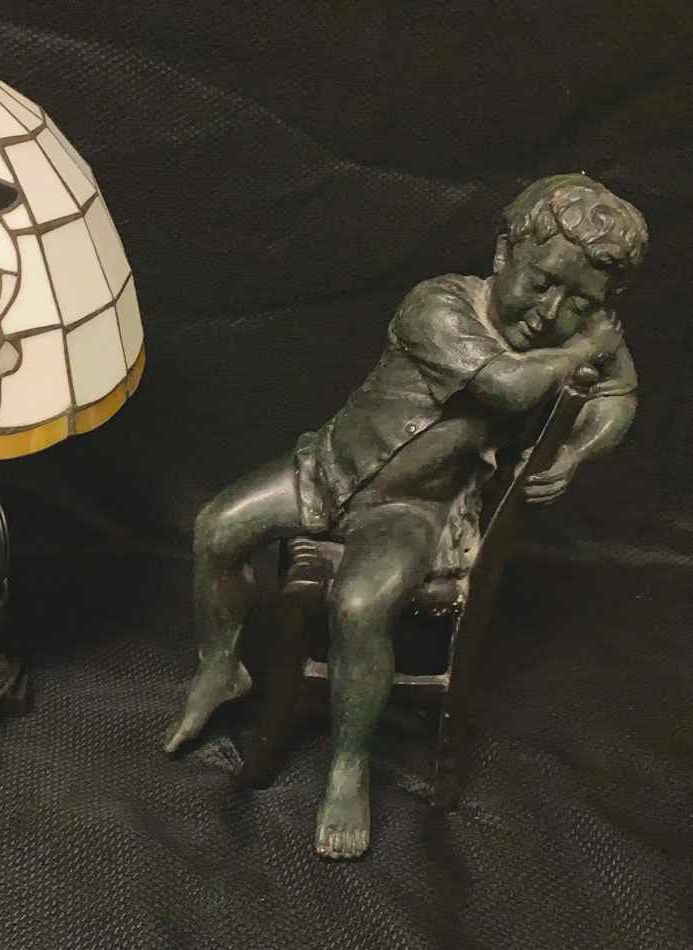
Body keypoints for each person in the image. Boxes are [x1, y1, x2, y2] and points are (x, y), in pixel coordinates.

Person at [164, 174, 648, 859]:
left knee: (360, 606)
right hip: (328, 467)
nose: (550, 311)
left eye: (579, 302)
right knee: (216, 528)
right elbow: (506, 387)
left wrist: (575, 454)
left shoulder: (578, 331)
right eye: (541, 282)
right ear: (503, 252)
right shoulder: (439, 304)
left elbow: (619, 395)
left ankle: (348, 765)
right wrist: (579, 350)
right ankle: (220, 667)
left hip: (414, 509)